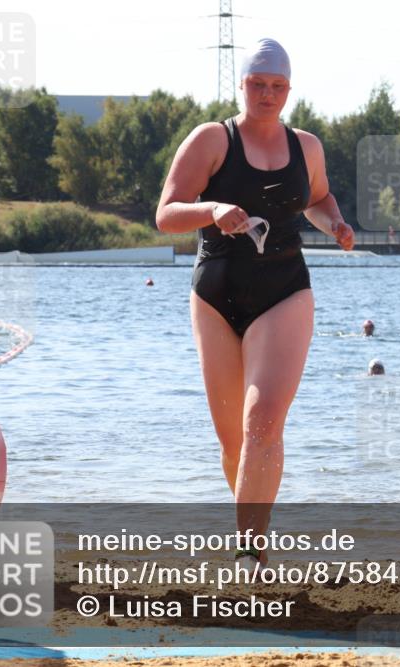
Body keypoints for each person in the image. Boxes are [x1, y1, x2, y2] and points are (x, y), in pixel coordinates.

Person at [155, 38, 355, 569]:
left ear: (289, 90)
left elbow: (317, 197)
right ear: (241, 85)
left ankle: (246, 553)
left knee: (262, 422)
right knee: (233, 440)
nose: (268, 94)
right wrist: (213, 208)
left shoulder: (306, 146)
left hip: (284, 290)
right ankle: (256, 537)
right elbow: (167, 213)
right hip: (215, 294)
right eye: (257, 84)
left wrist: (334, 223)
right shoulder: (211, 140)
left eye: (278, 86)